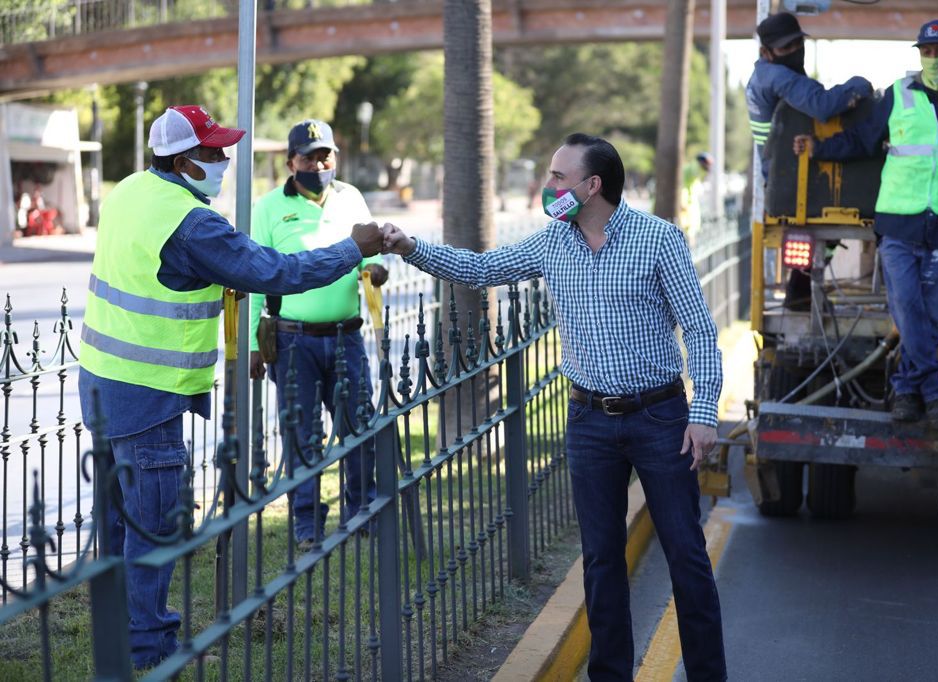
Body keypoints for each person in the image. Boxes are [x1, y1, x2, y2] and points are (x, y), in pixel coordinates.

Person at [381, 133, 726, 681]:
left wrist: (704, 412)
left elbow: (701, 332)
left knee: (686, 557)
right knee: (601, 561)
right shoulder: (552, 242)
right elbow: (480, 269)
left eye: (558, 177)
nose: (548, 186)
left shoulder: (658, 239)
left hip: (660, 419)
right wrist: (409, 247)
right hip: (589, 421)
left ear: (593, 186)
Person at [78, 104, 384, 670]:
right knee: (154, 527)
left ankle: (117, 638)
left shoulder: (128, 191)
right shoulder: (191, 223)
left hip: (102, 385)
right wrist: (353, 249)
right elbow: (277, 272)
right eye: (212, 152)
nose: (222, 161)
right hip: (150, 395)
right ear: (180, 159)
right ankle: (150, 650)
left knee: (118, 525)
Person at [793, 20, 938, 429]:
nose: (935, 58)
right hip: (898, 227)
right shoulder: (899, 95)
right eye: (927, 51)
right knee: (910, 310)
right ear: (919, 54)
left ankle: (905, 389)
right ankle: (934, 392)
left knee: (932, 320)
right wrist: (819, 148)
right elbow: (862, 140)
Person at [248, 119, 387, 545]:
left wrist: (374, 269)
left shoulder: (352, 198)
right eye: (308, 156)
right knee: (302, 436)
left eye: (325, 155)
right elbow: (256, 276)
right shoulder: (268, 207)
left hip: (346, 336)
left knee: (357, 428)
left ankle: (361, 513)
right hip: (293, 341)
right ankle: (307, 525)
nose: (318, 163)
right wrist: (255, 342)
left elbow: (366, 253)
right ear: (292, 162)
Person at [746, 11, 873, 176]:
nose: (795, 50)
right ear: (765, 52)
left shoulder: (761, 74)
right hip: (786, 176)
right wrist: (860, 85)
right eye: (786, 47)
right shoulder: (777, 76)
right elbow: (822, 105)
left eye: (798, 42)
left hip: (779, 170)